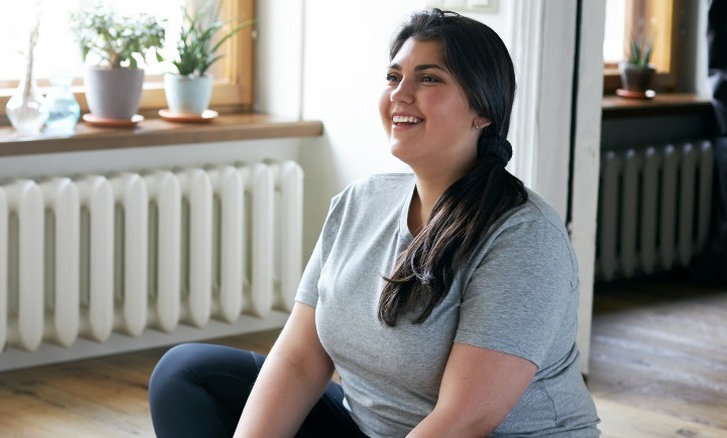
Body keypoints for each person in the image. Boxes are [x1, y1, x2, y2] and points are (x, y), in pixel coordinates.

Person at [149, 8, 600, 437]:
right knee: (187, 373)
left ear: (483, 111)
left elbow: (463, 421)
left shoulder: (523, 235)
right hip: (373, 427)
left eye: (429, 79)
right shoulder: (359, 202)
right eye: (393, 77)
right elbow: (301, 359)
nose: (400, 94)